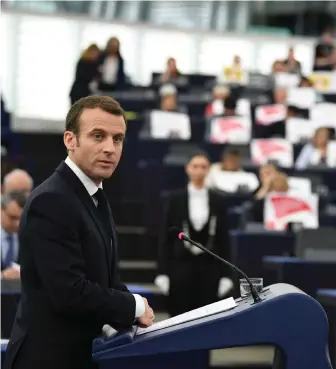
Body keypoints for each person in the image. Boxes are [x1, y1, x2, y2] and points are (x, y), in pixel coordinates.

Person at [4, 96, 154, 369]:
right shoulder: (51, 201)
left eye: (117, 139)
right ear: (70, 140)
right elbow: (69, 292)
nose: (110, 148)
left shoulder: (94, 194)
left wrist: (133, 308)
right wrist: (132, 306)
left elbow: (105, 278)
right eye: (98, 136)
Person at [156, 153, 233, 317]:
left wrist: (227, 276)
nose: (199, 171)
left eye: (203, 167)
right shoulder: (175, 199)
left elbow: (224, 239)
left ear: (209, 170)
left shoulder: (218, 200)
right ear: (187, 169)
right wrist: (162, 272)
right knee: (179, 318)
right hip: (180, 267)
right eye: (195, 166)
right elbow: (165, 237)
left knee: (207, 320)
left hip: (210, 268)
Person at [1, 191, 27, 280]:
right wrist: (2, 276)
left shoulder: (30, 236)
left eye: (21, 218)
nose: (17, 224)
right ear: (1, 210)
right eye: (13, 217)